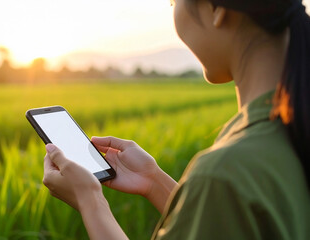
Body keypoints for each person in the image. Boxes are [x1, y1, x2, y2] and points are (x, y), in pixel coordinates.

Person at [42, 0, 310, 239]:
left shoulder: (224, 174)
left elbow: (225, 190)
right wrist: (153, 181)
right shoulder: (284, 131)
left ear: (217, 10)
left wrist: (91, 203)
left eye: (172, 3)